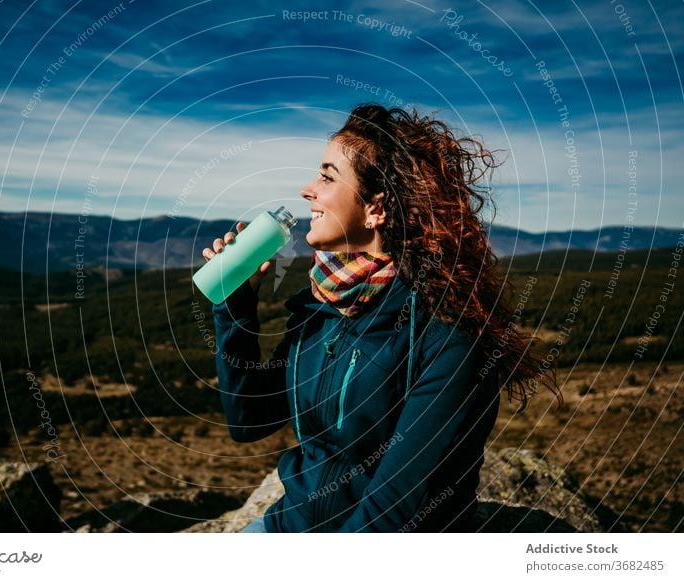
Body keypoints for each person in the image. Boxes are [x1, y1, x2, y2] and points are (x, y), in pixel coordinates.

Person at [201, 103, 561, 533]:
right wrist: (235, 306)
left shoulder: (446, 333)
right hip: (290, 526)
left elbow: (396, 509)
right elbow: (247, 422)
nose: (307, 189)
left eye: (327, 176)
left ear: (376, 209)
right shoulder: (320, 306)